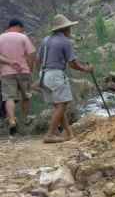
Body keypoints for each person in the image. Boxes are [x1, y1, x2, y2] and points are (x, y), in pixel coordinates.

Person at [36, 14, 93, 144]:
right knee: (62, 105)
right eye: (69, 27)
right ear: (65, 28)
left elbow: (37, 59)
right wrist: (86, 69)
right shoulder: (65, 42)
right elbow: (72, 64)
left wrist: (41, 73)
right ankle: (50, 134)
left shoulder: (46, 39)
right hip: (56, 74)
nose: (70, 30)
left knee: (58, 106)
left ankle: (70, 133)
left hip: (43, 74)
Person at [0, 18, 36, 135]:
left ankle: (11, 120)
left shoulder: (1, 38)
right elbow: (31, 55)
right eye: (21, 29)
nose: (21, 31)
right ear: (18, 26)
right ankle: (25, 119)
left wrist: (9, 62)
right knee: (26, 96)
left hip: (7, 73)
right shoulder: (23, 37)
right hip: (23, 71)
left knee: (9, 97)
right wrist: (29, 70)